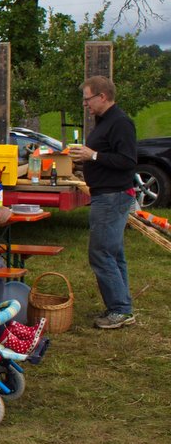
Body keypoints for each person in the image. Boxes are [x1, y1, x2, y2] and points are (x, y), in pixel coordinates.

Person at [70, 76, 138, 330]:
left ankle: (120, 310)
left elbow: (128, 161)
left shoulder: (120, 122)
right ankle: (122, 305)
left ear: (103, 96)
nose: (85, 104)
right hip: (106, 194)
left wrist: (93, 155)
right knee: (114, 253)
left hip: (112, 196)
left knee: (100, 253)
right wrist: (84, 162)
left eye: (88, 99)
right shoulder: (104, 122)